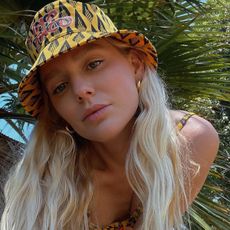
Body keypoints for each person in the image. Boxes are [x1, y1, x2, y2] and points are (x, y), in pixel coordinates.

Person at [1, 1, 219, 229]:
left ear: (135, 64)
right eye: (60, 87)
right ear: (56, 111)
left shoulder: (189, 140)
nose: (81, 91)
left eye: (94, 64)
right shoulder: (50, 190)